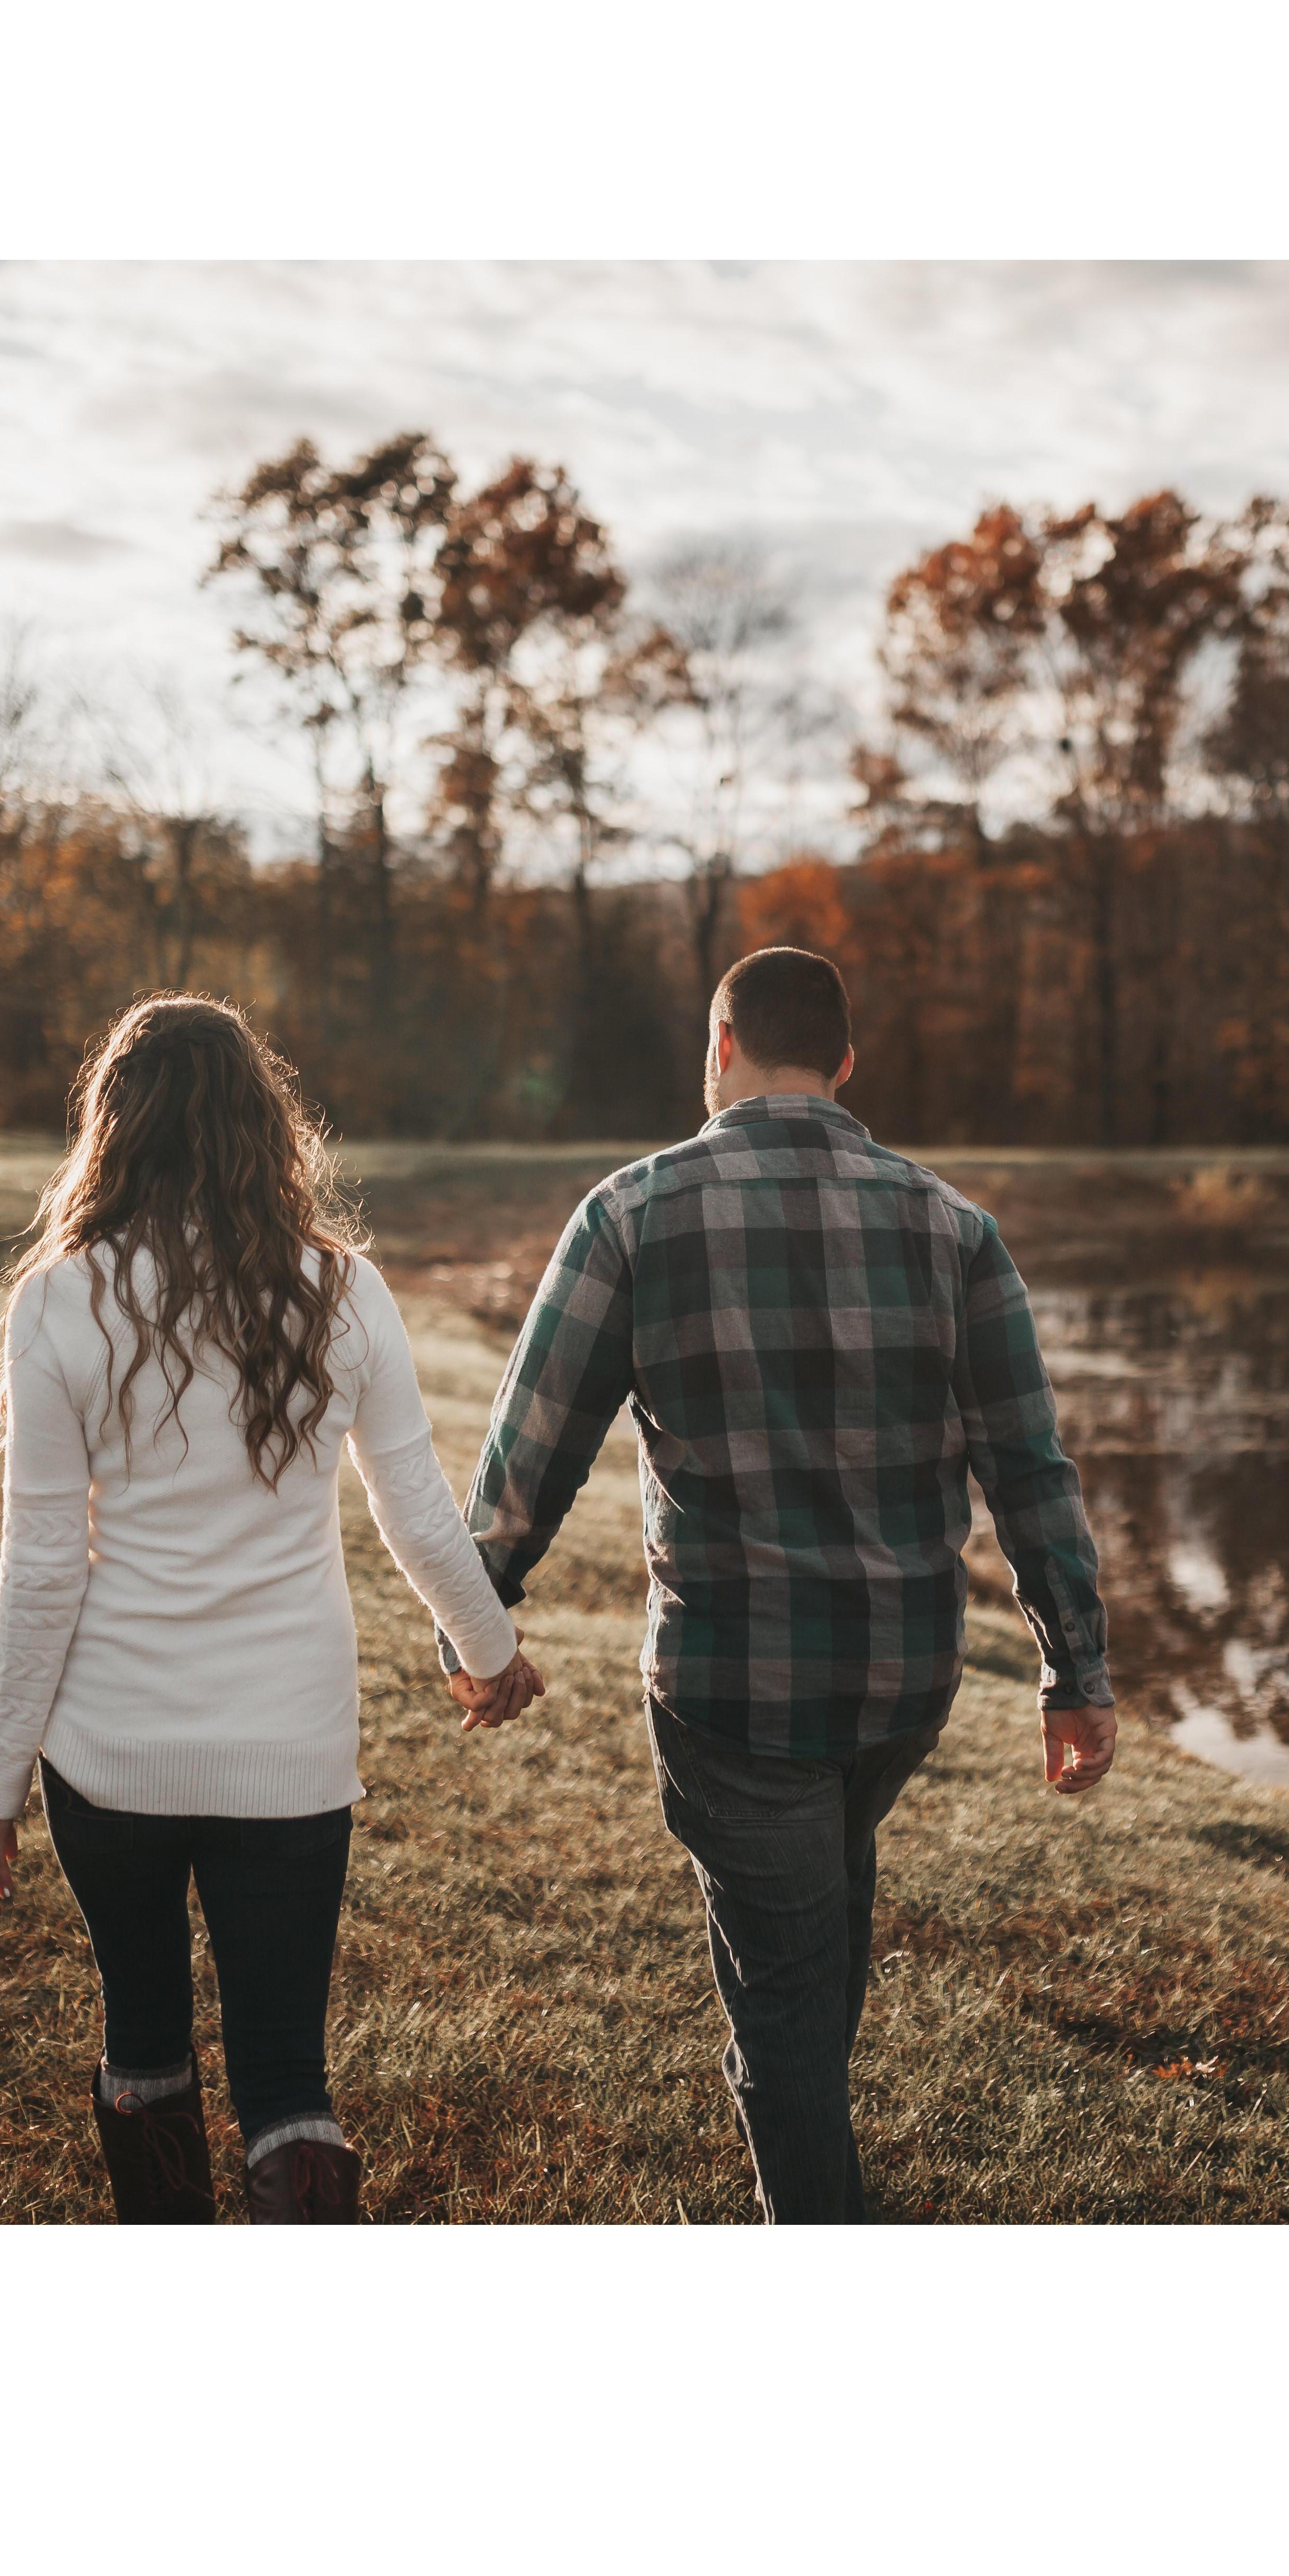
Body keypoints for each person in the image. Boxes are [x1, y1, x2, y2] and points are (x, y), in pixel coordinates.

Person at [435, 945, 1119, 2222]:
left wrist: (476, 1624)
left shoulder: (631, 1213)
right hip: (903, 1683)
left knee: (788, 2003)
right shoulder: (953, 1228)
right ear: (846, 1064)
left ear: (719, 1046)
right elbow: (1030, 1467)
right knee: (819, 1923)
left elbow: (531, 1453)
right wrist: (1073, 1670)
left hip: (733, 1690)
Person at [0, 994, 545, 2224]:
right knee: (286, 2074)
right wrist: (493, 1654)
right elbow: (416, 1511)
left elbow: (43, 1564)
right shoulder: (343, 1290)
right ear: (263, 1126)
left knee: (143, 2041)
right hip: (288, 1748)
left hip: (109, 1755)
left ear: (113, 1131)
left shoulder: (60, 1302)